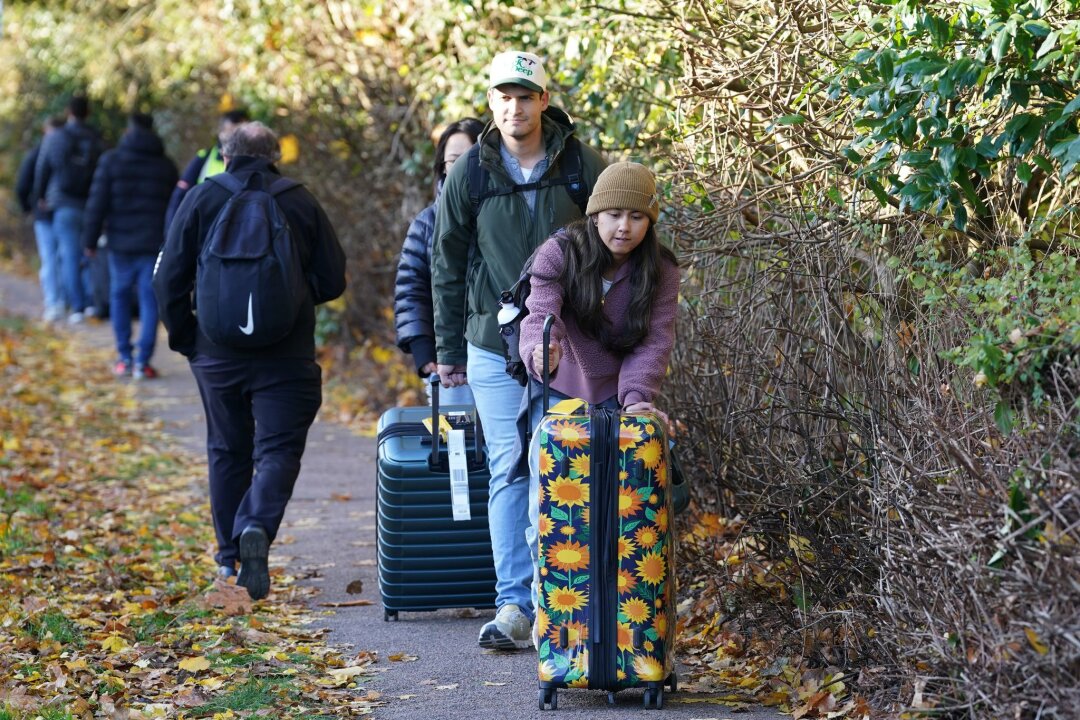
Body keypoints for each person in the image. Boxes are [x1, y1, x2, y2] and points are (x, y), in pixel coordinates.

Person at [431, 50, 607, 650]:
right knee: (509, 464)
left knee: (555, 466)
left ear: (544, 100)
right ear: (491, 103)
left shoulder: (582, 165)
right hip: (491, 342)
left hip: (568, 345)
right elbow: (446, 264)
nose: (515, 106)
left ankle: (559, 600)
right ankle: (514, 606)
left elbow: (619, 245)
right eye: (504, 96)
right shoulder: (471, 173)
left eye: (525, 96)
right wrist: (449, 349)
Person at [153, 121, 346, 600]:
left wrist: (187, 339)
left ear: (225, 152)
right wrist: (295, 303)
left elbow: (168, 278)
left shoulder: (202, 198)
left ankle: (227, 558)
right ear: (276, 154)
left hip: (217, 353)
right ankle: (256, 524)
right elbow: (333, 276)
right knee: (278, 450)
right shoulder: (298, 199)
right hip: (287, 355)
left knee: (226, 449)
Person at [516, 162, 680, 616]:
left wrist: (638, 399)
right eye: (613, 215)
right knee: (549, 507)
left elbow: (655, 340)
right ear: (594, 215)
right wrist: (541, 349)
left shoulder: (661, 269)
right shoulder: (560, 252)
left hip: (618, 391)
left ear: (650, 222)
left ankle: (611, 617)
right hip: (559, 387)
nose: (623, 227)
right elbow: (539, 314)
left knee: (618, 509)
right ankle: (548, 613)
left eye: (636, 217)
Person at [82, 112, 179, 379]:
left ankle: (124, 357)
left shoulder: (112, 161)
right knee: (150, 299)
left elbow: (96, 203)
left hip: (119, 243)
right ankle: (143, 362)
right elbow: (176, 206)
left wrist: (89, 241)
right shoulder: (165, 165)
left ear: (128, 130)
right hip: (152, 242)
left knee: (119, 295)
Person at [394, 117, 484, 405]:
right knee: (456, 446)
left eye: (469, 158)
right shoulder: (427, 223)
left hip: (503, 358)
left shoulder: (502, 219)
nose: (459, 168)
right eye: (452, 160)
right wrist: (424, 351)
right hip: (448, 364)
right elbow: (411, 287)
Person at [33, 95, 104, 324]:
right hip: (91, 205)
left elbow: (43, 168)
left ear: (68, 112)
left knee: (69, 255)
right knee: (90, 253)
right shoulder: (97, 138)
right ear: (88, 113)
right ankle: (92, 301)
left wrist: (41, 196)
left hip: (63, 204)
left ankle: (77, 307)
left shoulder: (57, 137)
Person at [164, 109, 249, 232]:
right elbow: (179, 196)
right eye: (231, 133)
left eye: (240, 134)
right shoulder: (204, 158)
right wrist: (170, 236)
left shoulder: (257, 164)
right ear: (221, 132)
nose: (235, 140)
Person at [15, 116, 66, 322]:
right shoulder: (72, 149)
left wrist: (29, 207)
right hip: (65, 210)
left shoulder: (37, 153)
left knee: (49, 257)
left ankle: (54, 302)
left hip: (44, 214)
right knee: (65, 256)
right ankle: (65, 299)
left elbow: (22, 185)